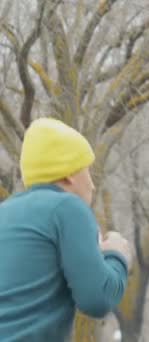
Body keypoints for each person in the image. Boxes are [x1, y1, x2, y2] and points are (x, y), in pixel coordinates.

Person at [0, 118, 132, 341]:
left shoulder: (5, 211)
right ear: (69, 173)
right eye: (87, 171)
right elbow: (97, 299)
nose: (92, 184)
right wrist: (117, 255)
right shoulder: (68, 207)